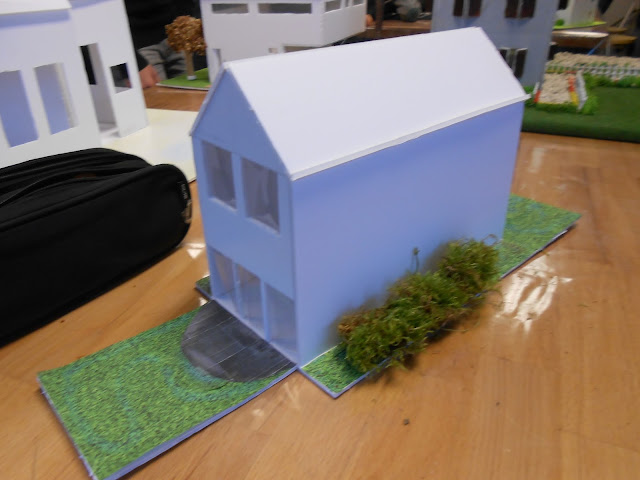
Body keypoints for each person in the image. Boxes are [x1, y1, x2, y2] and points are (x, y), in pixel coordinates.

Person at [124, 0, 198, 83]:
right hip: (139, 45)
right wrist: (137, 64)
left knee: (191, 88)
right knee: (154, 89)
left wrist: (186, 21)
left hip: (176, 35)